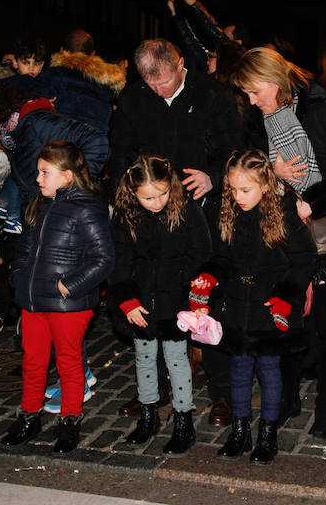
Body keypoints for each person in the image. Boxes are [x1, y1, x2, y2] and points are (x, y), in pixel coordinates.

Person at [112, 38, 244, 426]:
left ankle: (221, 392)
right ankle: (158, 389)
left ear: (181, 63)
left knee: (207, 299)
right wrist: (122, 200)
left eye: (164, 83)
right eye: (150, 84)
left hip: (203, 211)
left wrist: (214, 176)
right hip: (150, 213)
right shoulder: (135, 98)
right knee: (154, 298)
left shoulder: (212, 94)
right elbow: (119, 149)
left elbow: (236, 147)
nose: (157, 91)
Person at [229, 46, 326, 438]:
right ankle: (287, 398)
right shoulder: (257, 117)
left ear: (272, 80)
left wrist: (313, 202)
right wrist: (273, 170)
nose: (251, 101)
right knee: (284, 312)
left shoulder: (321, 106)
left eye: (254, 92)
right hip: (280, 228)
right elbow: (245, 169)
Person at [188, 149, 317, 464]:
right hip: (236, 304)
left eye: (245, 190)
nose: (237, 196)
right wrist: (208, 277)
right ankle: (240, 430)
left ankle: (268, 433)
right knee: (240, 367)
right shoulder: (227, 211)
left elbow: (305, 259)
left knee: (270, 370)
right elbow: (220, 256)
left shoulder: (283, 212)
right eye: (232, 189)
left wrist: (286, 295)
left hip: (271, 305)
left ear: (265, 185)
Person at [1, 141, 113, 454]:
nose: (38, 178)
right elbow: (25, 248)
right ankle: (28, 415)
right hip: (34, 299)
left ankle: (69, 420)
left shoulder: (88, 206)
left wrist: (71, 285)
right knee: (33, 360)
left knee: (68, 362)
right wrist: (18, 277)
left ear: (66, 176)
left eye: (44, 172)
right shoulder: (41, 204)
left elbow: (103, 257)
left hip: (68, 304)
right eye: (38, 171)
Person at [109, 154, 212, 455]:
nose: (157, 202)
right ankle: (148, 413)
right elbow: (119, 261)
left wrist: (193, 296)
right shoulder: (126, 216)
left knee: (177, 360)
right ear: (132, 192)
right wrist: (126, 299)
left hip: (175, 299)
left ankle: (183, 419)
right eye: (148, 197)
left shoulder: (187, 210)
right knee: (144, 358)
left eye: (163, 194)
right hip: (140, 301)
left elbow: (201, 253)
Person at [42, 29, 126, 133]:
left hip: (58, 144)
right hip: (95, 145)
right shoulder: (107, 86)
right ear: (93, 55)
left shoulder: (50, 78)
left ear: (61, 50)